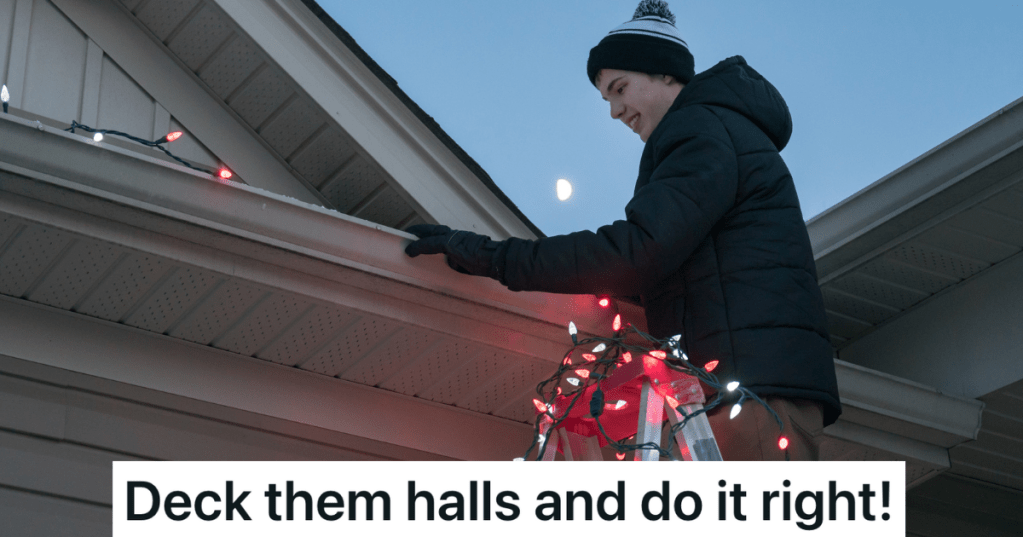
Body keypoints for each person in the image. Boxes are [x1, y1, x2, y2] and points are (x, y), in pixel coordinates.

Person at [404, 0, 840, 461]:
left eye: (620, 88)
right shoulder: (719, 131)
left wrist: (492, 257)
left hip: (748, 399)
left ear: (664, 74)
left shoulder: (701, 131)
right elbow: (664, 259)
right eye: (607, 98)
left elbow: (636, 252)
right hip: (750, 393)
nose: (614, 111)